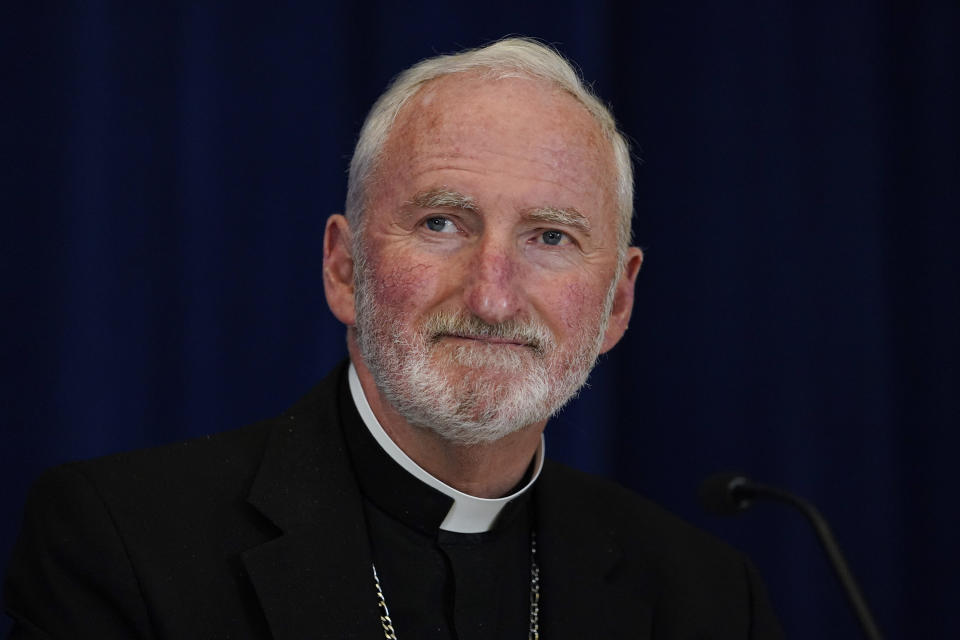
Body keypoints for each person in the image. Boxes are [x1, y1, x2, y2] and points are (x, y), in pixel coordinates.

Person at [4, 38, 782, 639]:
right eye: (442, 223)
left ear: (617, 303)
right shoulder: (125, 545)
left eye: (550, 236)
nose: (493, 295)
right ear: (344, 268)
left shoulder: (708, 601)